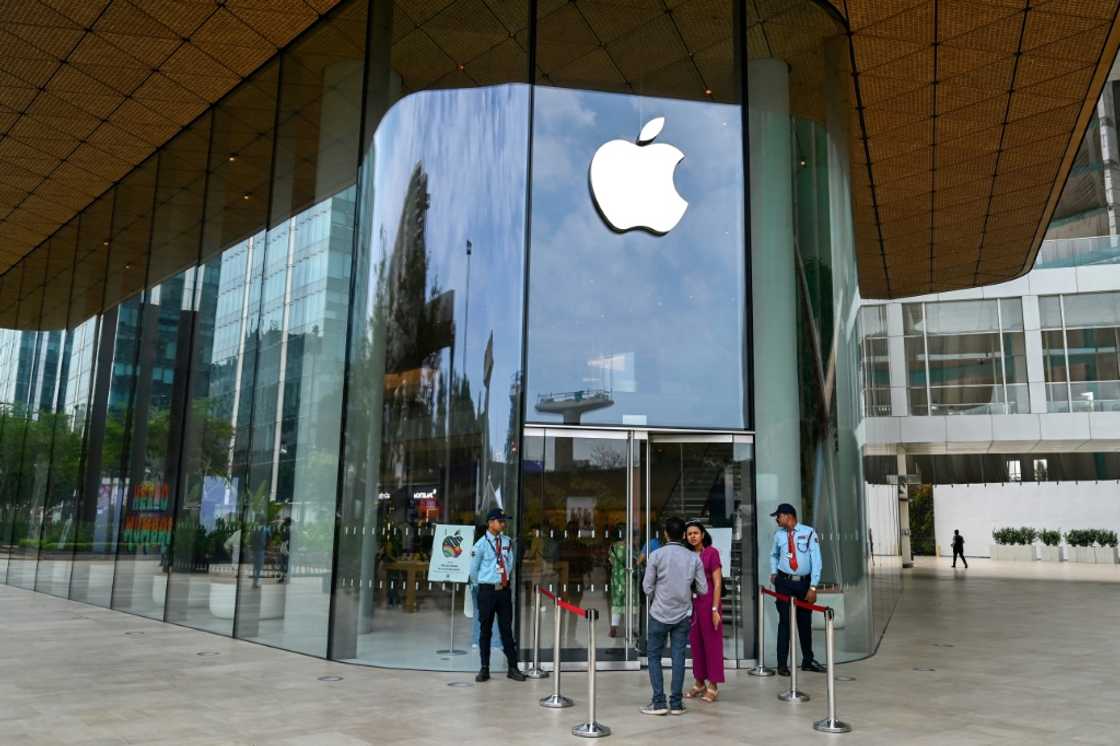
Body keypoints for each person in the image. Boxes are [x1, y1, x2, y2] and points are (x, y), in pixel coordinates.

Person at [641, 516, 707, 716]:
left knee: (654, 656)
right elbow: (703, 588)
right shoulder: (693, 557)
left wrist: (658, 593)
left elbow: (646, 587)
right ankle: (676, 704)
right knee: (678, 657)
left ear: (666, 534)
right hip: (682, 615)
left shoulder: (656, 555)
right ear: (684, 535)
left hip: (659, 613)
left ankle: (659, 702)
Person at [468, 508, 526, 683]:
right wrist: (484, 586)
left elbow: (510, 563)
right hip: (487, 591)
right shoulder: (480, 545)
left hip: (504, 591)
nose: (503, 524)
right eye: (500, 521)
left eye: (504, 521)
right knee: (485, 631)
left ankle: (512, 667)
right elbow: (473, 571)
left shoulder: (507, 542)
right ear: (490, 523)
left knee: (506, 630)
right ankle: (484, 668)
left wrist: (504, 578)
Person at [769, 503, 826, 676]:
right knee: (784, 623)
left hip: (803, 584)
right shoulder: (778, 535)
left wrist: (813, 586)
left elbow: (816, 561)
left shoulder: (809, 533)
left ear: (788, 516)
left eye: (778, 516)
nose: (777, 519)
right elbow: (774, 555)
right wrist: (773, 572)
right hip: (784, 583)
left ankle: (808, 660)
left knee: (804, 623)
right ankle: (781, 664)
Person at [683, 521, 723, 702]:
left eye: (696, 533)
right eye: (689, 533)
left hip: (708, 603)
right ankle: (699, 682)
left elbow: (717, 583)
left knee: (711, 644)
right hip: (692, 604)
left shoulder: (711, 553)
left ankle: (713, 684)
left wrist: (715, 609)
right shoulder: (686, 555)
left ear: (703, 535)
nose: (692, 536)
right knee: (696, 644)